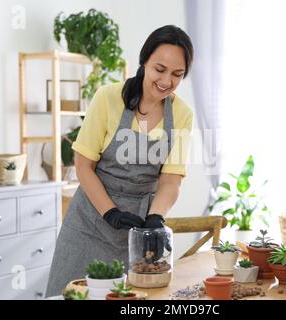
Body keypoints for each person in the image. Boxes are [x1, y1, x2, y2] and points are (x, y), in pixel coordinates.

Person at [46, 25, 194, 297]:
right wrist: (110, 212)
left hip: (137, 231)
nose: (166, 81)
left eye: (177, 74)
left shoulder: (182, 115)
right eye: (159, 69)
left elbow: (171, 179)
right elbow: (83, 165)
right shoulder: (108, 98)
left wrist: (155, 219)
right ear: (144, 62)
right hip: (88, 222)